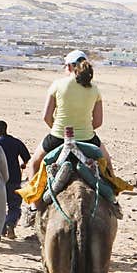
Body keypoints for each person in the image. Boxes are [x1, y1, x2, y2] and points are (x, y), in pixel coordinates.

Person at [26, 49, 112, 179]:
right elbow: (98, 122)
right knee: (108, 165)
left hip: (58, 137)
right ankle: (113, 197)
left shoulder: (57, 85)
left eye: (65, 66)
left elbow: (46, 117)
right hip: (87, 138)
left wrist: (59, 129)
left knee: (34, 163)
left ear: (70, 66)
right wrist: (82, 129)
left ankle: (33, 200)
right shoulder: (94, 89)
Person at [0, 120, 30, 240]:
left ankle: (1, 229)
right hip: (14, 178)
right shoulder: (16, 142)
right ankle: (10, 225)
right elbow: (27, 157)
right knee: (14, 205)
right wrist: (23, 164)